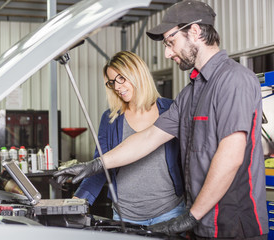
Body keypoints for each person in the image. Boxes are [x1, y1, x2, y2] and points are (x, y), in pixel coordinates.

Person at [54, 1, 269, 239]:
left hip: (233, 224)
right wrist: (95, 165)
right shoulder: (189, 94)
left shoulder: (234, 80)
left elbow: (231, 156)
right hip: (202, 224)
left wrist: (190, 216)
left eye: (170, 42)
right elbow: (149, 137)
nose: (167, 53)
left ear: (195, 32)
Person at [63, 51, 185, 226]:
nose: (117, 87)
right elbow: (100, 166)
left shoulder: (170, 110)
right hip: (125, 215)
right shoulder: (110, 119)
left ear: (137, 74)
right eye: (112, 82)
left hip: (169, 212)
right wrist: (75, 203)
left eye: (121, 79)